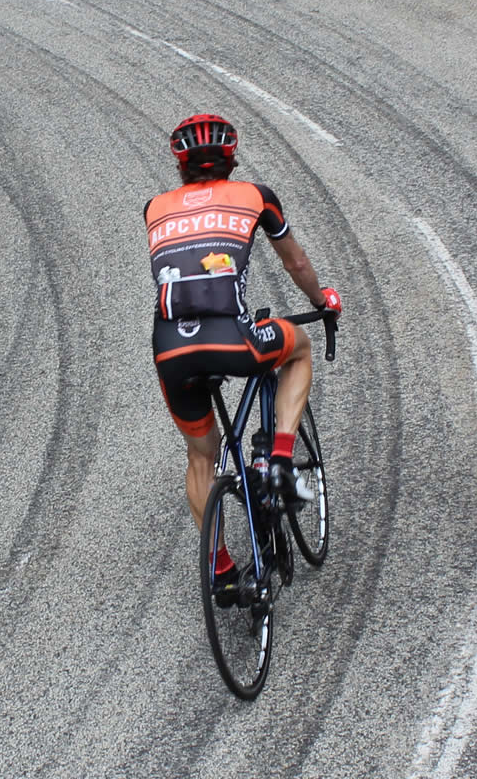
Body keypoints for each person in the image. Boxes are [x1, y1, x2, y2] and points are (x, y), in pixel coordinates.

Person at [144, 114, 339, 602]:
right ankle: (279, 462)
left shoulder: (154, 208)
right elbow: (295, 262)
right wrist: (322, 301)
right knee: (298, 348)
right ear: (232, 159)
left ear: (180, 164)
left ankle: (224, 570)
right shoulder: (257, 196)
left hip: (170, 349)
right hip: (232, 336)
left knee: (202, 456)